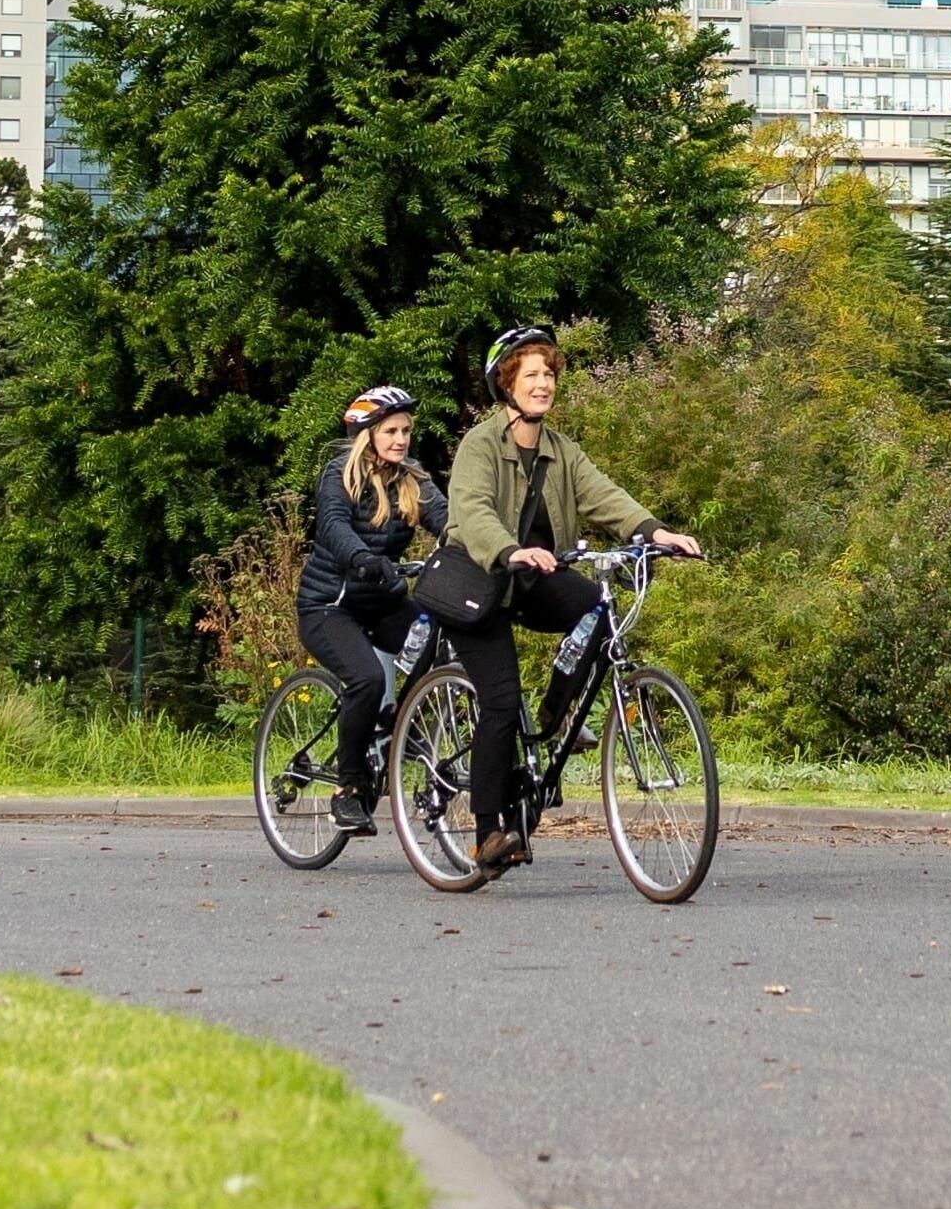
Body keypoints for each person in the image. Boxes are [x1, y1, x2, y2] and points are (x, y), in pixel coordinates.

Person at [428, 320, 692, 867]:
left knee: (597, 606)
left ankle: (558, 714)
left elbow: (604, 497)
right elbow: (472, 511)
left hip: (531, 578)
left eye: (549, 373)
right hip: (479, 583)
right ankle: (486, 832)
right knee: (500, 704)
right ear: (507, 384)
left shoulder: (560, 450)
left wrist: (654, 531)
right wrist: (509, 549)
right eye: (531, 374)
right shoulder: (480, 446)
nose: (543, 383)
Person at [290, 379, 432, 825]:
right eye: (391, 432)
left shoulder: (412, 479)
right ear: (368, 436)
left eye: (406, 431)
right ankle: (348, 788)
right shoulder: (339, 475)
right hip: (329, 606)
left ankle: (397, 723)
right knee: (368, 679)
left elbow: (450, 521)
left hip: (384, 602)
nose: (401, 440)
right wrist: (362, 558)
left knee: (441, 645)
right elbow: (333, 525)